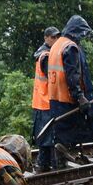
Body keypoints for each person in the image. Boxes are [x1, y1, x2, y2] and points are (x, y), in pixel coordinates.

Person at [47, 15, 93, 167]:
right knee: (75, 131)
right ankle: (66, 157)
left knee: (61, 134)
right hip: (68, 98)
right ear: (76, 32)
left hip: (55, 98)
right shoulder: (70, 47)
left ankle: (62, 166)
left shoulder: (57, 45)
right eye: (82, 34)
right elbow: (73, 75)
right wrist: (80, 97)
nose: (82, 37)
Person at [31, 27, 60, 170]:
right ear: (46, 38)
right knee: (50, 135)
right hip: (47, 101)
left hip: (41, 100)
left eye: (57, 37)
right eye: (53, 37)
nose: (55, 40)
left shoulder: (43, 54)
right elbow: (54, 78)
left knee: (45, 134)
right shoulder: (46, 56)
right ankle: (49, 164)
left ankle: (44, 164)